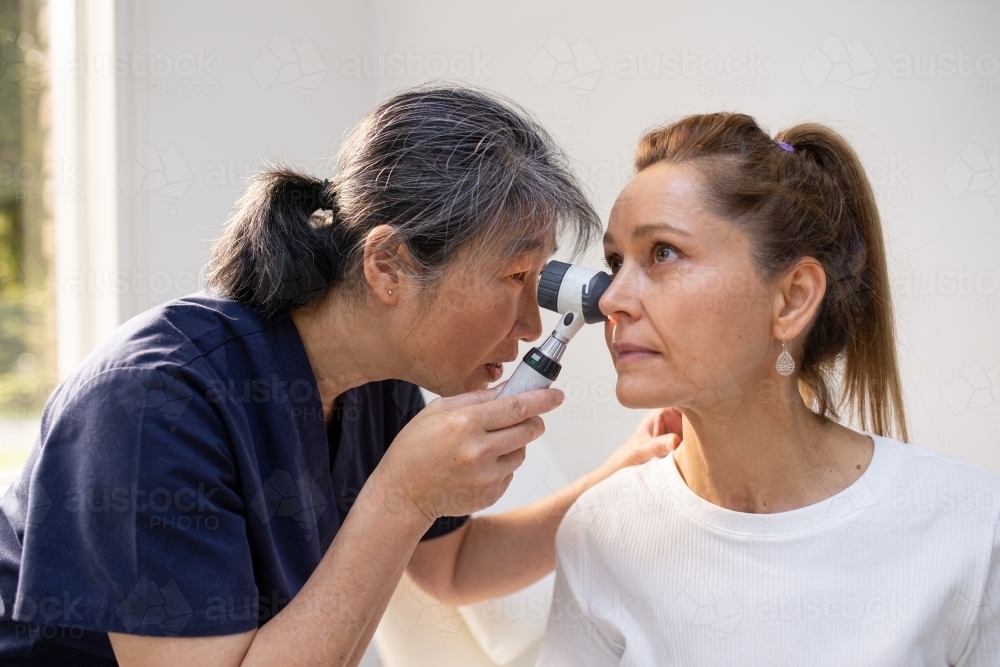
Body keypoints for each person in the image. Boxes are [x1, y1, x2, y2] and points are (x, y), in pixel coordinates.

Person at [0, 85, 678, 667]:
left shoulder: (376, 384)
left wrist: (620, 477)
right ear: (388, 265)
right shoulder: (152, 405)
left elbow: (452, 564)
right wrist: (401, 496)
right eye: (514, 277)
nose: (532, 323)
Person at [538, 112, 1000, 666]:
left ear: (793, 298)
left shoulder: (968, 525)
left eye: (662, 252)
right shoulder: (601, 537)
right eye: (616, 262)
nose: (611, 299)